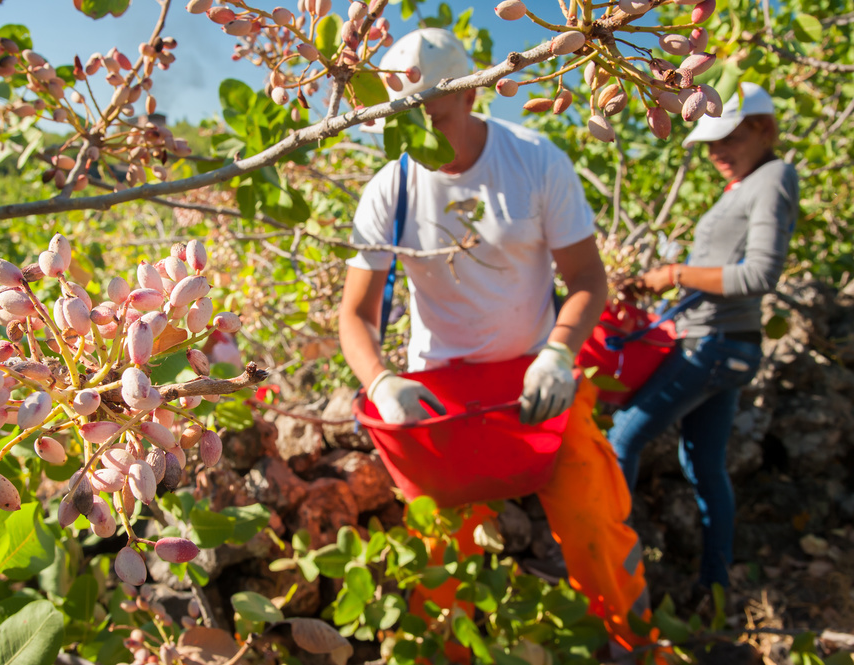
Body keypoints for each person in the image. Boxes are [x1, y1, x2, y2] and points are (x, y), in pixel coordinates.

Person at [338, 28, 650, 653]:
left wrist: (560, 354)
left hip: (539, 377)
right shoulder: (389, 189)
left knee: (595, 519)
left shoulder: (534, 161)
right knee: (438, 560)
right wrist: (382, 382)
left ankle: (638, 645)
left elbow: (588, 278)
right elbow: (355, 315)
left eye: (435, 117)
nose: (420, 137)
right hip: (441, 397)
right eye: (404, 121)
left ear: (472, 98)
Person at [607, 82, 799, 600]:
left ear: (765, 129)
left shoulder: (773, 177)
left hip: (714, 345)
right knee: (703, 465)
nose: (716, 152)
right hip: (724, 343)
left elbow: (758, 274)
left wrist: (674, 274)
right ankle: (715, 587)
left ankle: (619, 580)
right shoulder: (745, 185)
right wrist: (655, 282)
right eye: (711, 143)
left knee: (622, 439)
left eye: (727, 138)